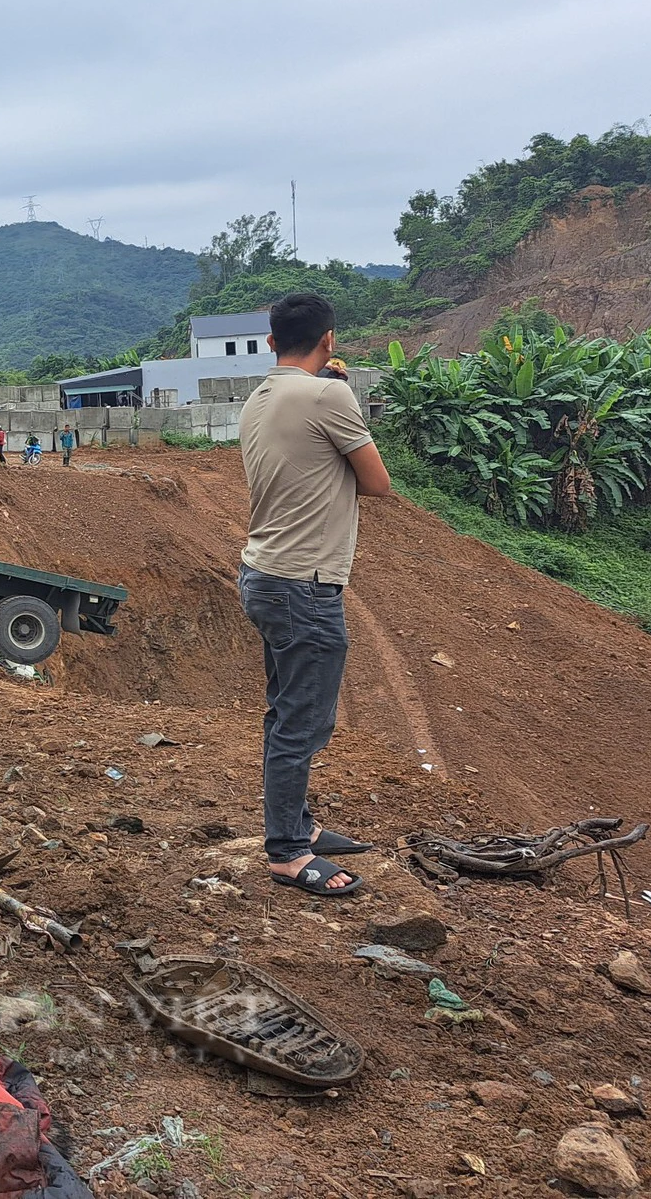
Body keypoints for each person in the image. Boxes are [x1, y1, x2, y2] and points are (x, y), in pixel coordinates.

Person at [238, 292, 394, 898]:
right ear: (330, 340)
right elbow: (377, 483)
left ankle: (296, 826)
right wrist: (341, 390)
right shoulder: (331, 395)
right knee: (302, 722)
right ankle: (287, 853)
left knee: (287, 711)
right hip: (304, 585)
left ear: (271, 342)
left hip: (265, 574)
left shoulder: (259, 397)